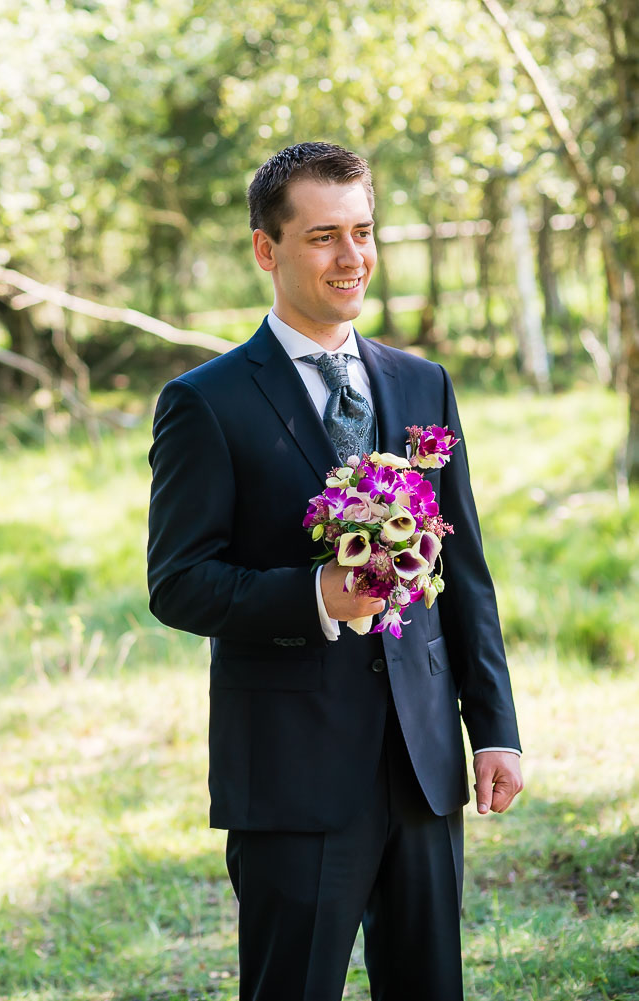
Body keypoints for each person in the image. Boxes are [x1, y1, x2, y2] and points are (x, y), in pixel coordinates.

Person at [145, 142, 523, 1000]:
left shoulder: (422, 383)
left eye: (363, 232)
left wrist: (493, 726)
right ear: (265, 250)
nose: (351, 258)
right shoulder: (207, 403)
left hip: (423, 766)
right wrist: (314, 595)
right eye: (322, 237)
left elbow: (464, 572)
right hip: (292, 772)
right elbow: (179, 581)